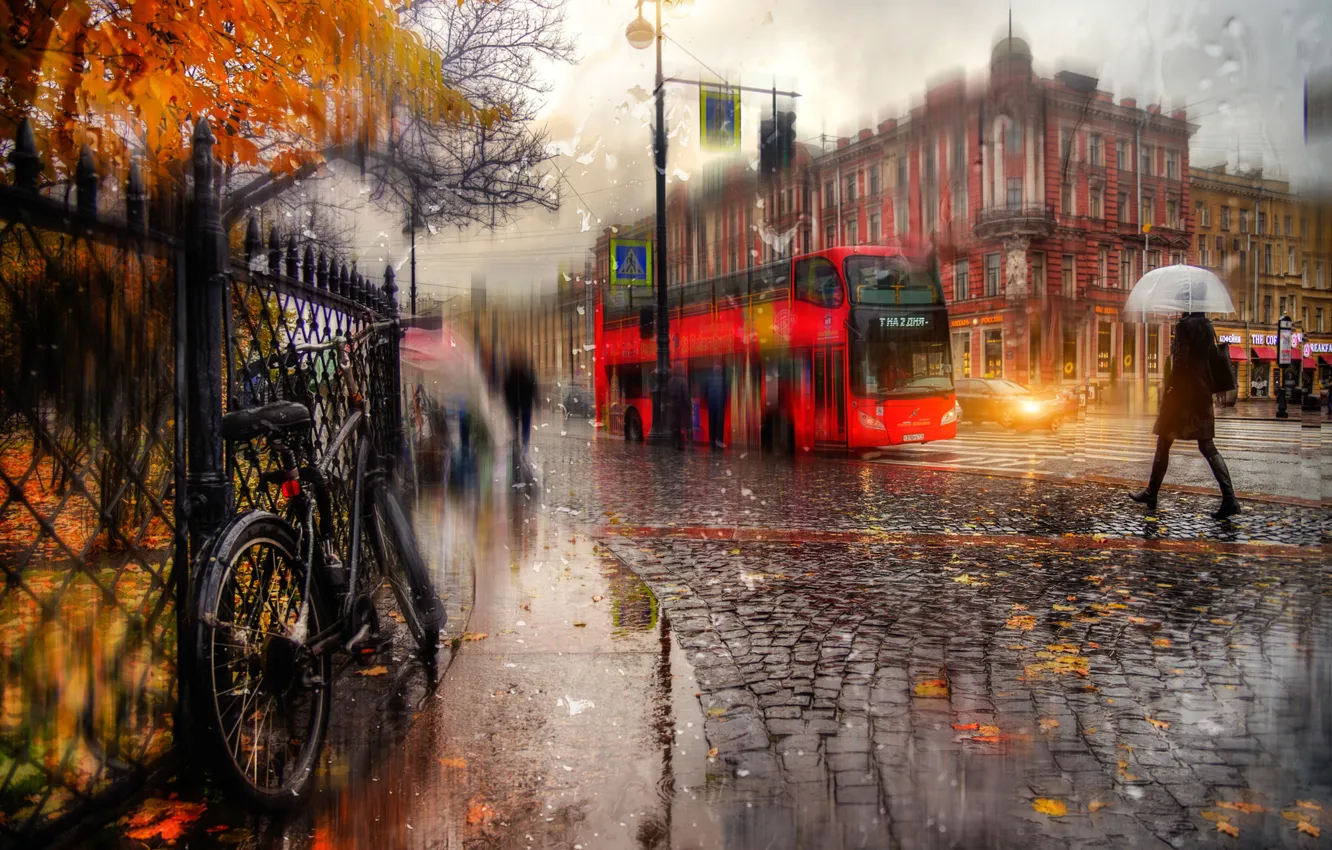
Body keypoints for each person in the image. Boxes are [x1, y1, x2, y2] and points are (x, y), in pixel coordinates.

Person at [1130, 312, 1240, 520]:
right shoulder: (1207, 326)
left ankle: (1152, 494)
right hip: (1203, 394)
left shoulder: (1184, 327)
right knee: (1206, 445)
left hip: (1183, 397)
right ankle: (1230, 498)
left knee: (1164, 439)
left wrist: (1170, 390)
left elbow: (1180, 363)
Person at [502, 350, 537, 452]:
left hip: (525, 404)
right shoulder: (510, 372)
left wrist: (536, 400)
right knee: (515, 428)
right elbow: (506, 388)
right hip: (514, 405)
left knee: (525, 428)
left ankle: (524, 447)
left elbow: (533, 386)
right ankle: (516, 446)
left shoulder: (526, 371)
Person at [666, 368, 692, 449]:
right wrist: (689, 406)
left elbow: (667, 394)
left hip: (672, 408)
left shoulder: (669, 381)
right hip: (681, 407)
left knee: (675, 427)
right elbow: (686, 396)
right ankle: (688, 444)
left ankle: (675, 444)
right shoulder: (683, 381)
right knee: (687, 425)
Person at [704, 364, 727, 449]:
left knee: (712, 422)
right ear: (720, 371)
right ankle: (719, 440)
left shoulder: (709, 379)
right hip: (720, 404)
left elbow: (705, 391)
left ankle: (712, 441)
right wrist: (724, 402)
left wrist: (708, 401)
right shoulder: (723, 379)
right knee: (719, 423)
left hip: (711, 404)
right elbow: (725, 393)